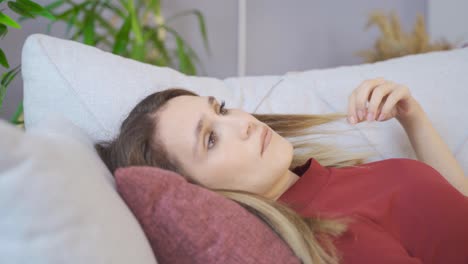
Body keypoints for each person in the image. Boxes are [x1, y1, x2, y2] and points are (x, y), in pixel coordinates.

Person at [95, 78, 468, 264]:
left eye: (221, 109)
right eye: (210, 139)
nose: (242, 123)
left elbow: (454, 216)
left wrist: (412, 117)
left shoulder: (320, 180)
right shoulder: (332, 238)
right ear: (200, 192)